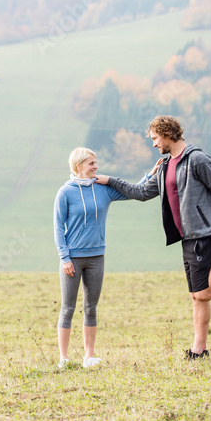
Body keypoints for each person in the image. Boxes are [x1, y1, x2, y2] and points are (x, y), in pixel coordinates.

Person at [94, 115, 211, 359]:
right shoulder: (166, 165)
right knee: (195, 296)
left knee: (205, 293)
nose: (154, 144)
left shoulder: (197, 160)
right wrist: (110, 181)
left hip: (203, 232)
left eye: (155, 138)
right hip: (186, 237)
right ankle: (199, 350)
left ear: (167, 133)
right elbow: (141, 192)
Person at [52, 147, 129, 369]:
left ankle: (89, 357)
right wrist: (64, 257)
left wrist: (151, 176)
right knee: (67, 308)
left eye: (96, 163)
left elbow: (133, 191)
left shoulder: (102, 188)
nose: (96, 167)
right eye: (91, 164)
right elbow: (58, 227)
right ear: (79, 167)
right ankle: (64, 359)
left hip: (97, 257)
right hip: (72, 259)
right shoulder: (65, 192)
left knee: (91, 307)